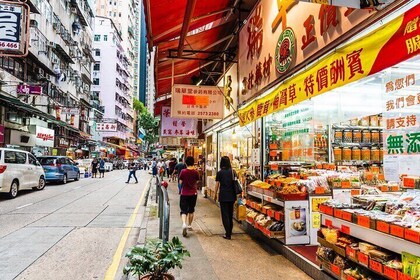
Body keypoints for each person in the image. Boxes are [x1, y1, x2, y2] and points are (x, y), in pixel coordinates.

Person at [214, 156, 237, 240]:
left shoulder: (220, 173)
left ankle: (228, 234)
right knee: (230, 214)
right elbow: (235, 183)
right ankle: (230, 231)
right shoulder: (233, 172)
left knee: (225, 214)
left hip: (223, 195)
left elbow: (217, 185)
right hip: (232, 195)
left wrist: (215, 194)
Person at [178, 156, 200, 237]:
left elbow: (180, 182)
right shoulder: (196, 172)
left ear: (186, 163)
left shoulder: (183, 171)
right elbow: (197, 181)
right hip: (193, 193)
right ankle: (189, 225)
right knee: (191, 209)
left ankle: (184, 223)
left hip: (184, 193)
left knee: (183, 210)